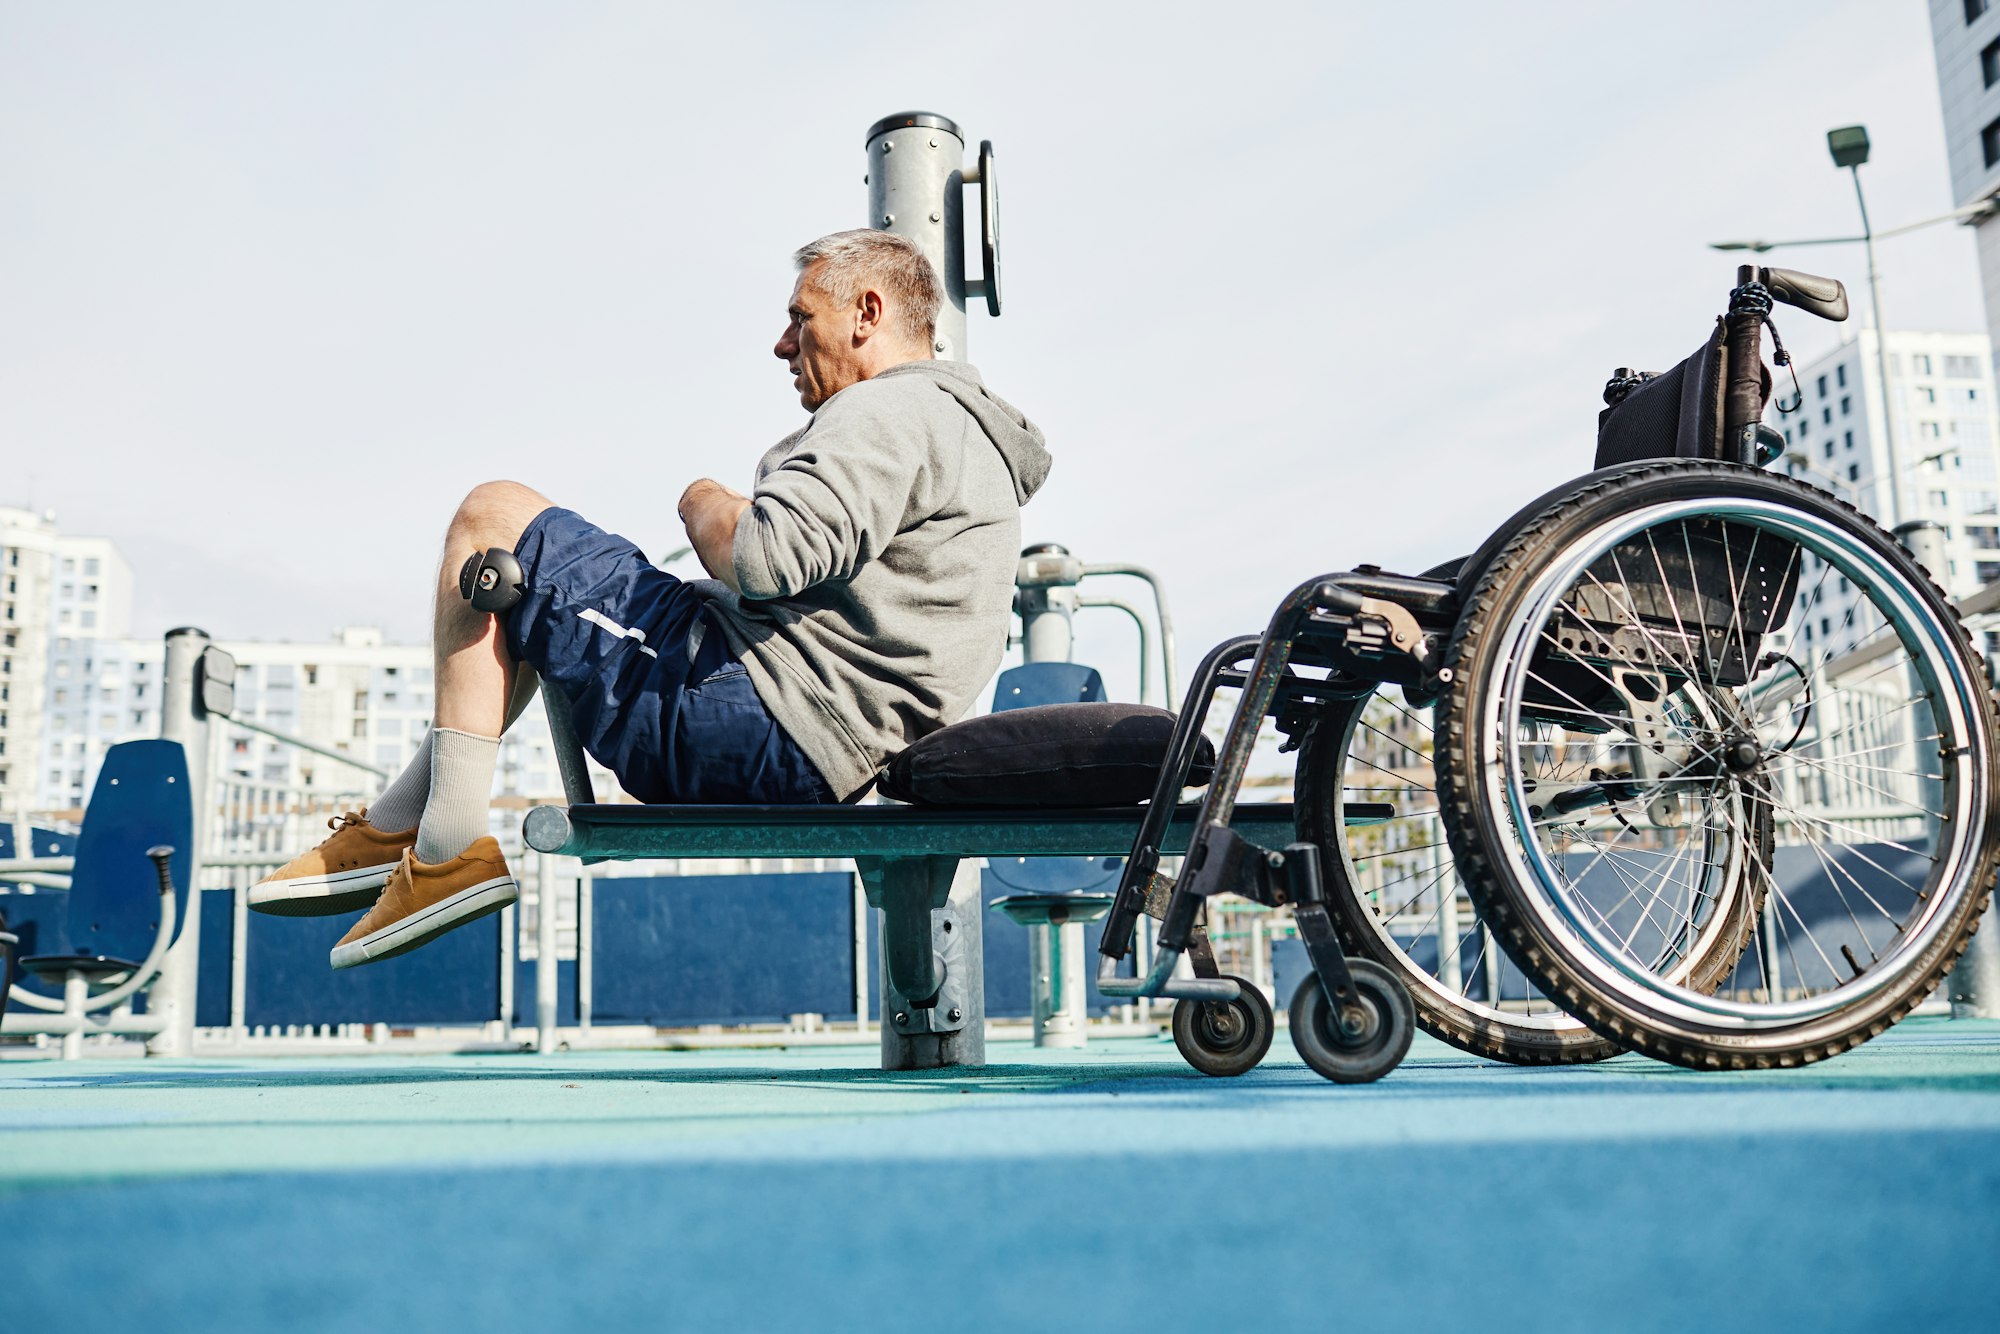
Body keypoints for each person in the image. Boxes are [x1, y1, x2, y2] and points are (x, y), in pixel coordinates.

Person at [248, 229, 1052, 970]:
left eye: (800, 317)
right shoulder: (970, 444)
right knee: (531, 588)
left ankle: (448, 846)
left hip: (753, 714)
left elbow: (767, 555)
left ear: (866, 313)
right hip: (821, 739)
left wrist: (702, 499)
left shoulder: (889, 407)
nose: (781, 344)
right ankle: (406, 826)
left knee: (492, 516)